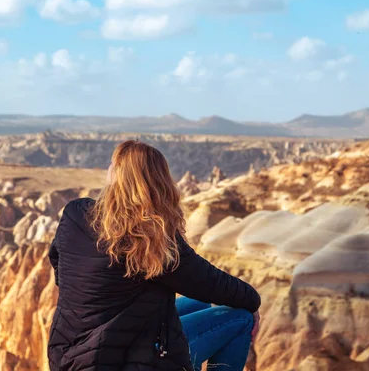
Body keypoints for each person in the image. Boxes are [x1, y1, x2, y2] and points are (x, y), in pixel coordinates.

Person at [48, 140, 261, 371]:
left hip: (68, 356)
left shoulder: (75, 214)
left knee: (201, 301)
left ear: (114, 175)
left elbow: (59, 266)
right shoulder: (152, 238)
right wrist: (253, 303)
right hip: (122, 363)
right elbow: (212, 283)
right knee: (241, 319)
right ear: (159, 183)